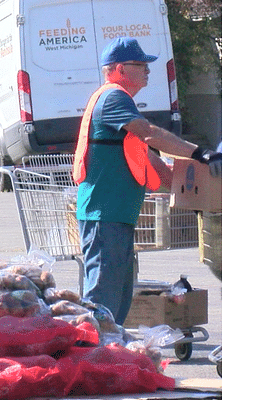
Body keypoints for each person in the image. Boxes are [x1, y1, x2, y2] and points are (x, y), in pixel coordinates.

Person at [72, 37, 222, 325]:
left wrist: (196, 198)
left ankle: (107, 358)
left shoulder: (123, 104)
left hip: (116, 217)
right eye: (140, 65)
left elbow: (153, 161)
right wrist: (200, 153)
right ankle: (91, 359)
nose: (148, 71)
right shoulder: (112, 98)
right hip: (104, 216)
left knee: (119, 300)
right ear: (119, 69)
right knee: (102, 302)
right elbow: (151, 134)